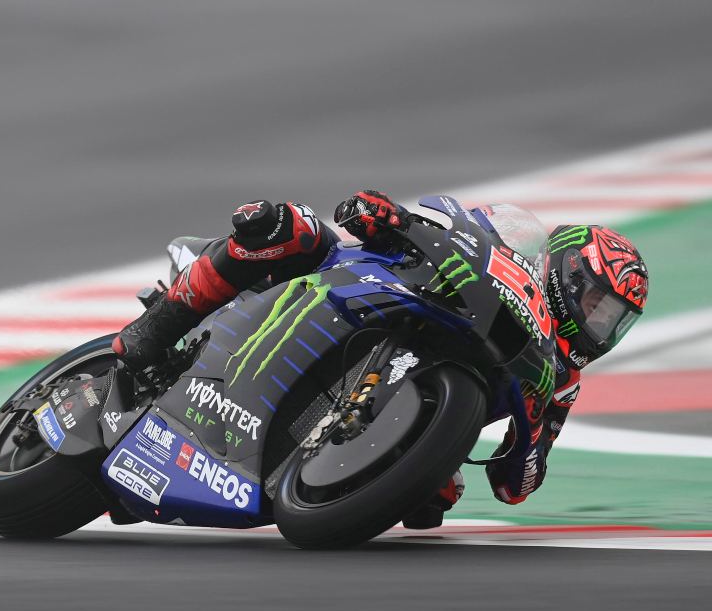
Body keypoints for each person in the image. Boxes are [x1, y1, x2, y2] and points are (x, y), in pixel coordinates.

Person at [112, 191, 649, 528]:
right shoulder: (510, 249)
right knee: (286, 226)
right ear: (565, 272)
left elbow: (516, 485)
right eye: (597, 303)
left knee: (432, 502)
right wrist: (384, 215)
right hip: (356, 284)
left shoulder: (558, 380)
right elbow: (451, 224)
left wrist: (529, 440)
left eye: (613, 321)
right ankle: (152, 331)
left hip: (416, 396)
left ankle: (321, 464)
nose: (599, 323)